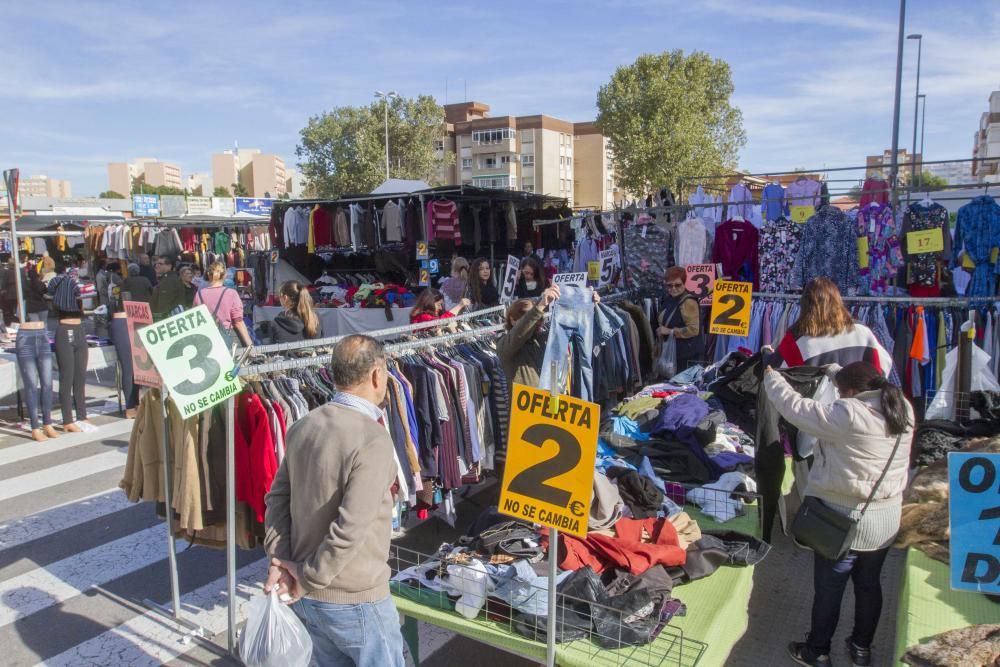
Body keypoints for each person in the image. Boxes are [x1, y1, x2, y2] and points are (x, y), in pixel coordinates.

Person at [264, 335, 405, 667]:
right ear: (376, 375)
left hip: (306, 593)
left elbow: (277, 499)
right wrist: (306, 576)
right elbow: (351, 528)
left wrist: (282, 561)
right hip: (355, 598)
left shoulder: (304, 425)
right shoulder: (372, 439)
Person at [763, 361, 913, 667]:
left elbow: (796, 408)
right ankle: (861, 648)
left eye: (842, 392)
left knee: (830, 588)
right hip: (886, 519)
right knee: (869, 584)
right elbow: (857, 386)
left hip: (842, 519)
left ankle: (817, 651)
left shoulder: (848, 414)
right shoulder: (902, 407)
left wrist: (771, 376)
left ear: (853, 393)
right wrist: (834, 372)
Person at [768, 277, 891, 376]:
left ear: (804, 304)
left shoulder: (796, 340)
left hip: (817, 406)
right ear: (838, 301)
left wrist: (766, 354)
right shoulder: (862, 332)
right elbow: (884, 366)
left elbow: (777, 375)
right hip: (859, 404)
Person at [497, 284, 601, 388]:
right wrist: (541, 305)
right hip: (524, 403)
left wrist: (588, 305)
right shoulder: (504, 344)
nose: (530, 323)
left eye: (534, 320)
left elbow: (577, 333)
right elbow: (519, 332)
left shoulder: (543, 338)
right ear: (512, 320)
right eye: (523, 318)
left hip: (551, 401)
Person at [47, 267, 89, 433]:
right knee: (67, 377)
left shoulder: (64, 288)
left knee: (80, 376)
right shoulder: (61, 287)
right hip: (65, 330)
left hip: (78, 330)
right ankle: (67, 420)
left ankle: (81, 414)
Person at [655, 266, 705, 373]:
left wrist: (670, 331)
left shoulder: (688, 302)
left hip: (687, 356)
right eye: (669, 285)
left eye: (677, 285)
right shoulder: (669, 299)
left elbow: (694, 329)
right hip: (675, 354)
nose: (673, 288)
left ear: (684, 283)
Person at [194, 261, 253, 348]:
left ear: (208, 275)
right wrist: (250, 345)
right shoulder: (231, 293)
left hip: (208, 340)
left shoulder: (199, 294)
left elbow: (196, 321)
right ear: (225, 275)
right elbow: (238, 322)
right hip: (229, 337)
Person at [150, 255, 186, 321]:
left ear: (169, 266)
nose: (157, 266)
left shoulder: (170, 280)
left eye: (160, 264)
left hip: (168, 320)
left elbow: (164, 304)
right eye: (156, 264)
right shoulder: (166, 278)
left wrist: (158, 318)